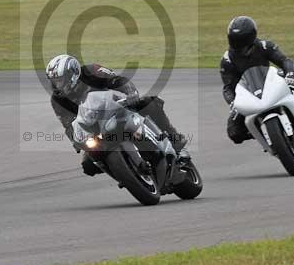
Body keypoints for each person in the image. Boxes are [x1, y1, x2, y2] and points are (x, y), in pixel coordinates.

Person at [46, 54, 190, 176]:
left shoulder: (91, 71)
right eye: (54, 81)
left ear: (72, 74)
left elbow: (117, 80)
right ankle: (126, 174)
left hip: (117, 107)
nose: (56, 85)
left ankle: (177, 144)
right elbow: (68, 124)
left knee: (149, 104)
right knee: (88, 166)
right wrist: (76, 140)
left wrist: (130, 92)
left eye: (59, 80)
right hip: (95, 128)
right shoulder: (57, 100)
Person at [221, 16, 294, 145]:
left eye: (242, 41)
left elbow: (285, 61)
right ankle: (260, 132)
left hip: (272, 80)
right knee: (234, 133)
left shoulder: (264, 46)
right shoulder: (227, 60)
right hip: (248, 93)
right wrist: (232, 103)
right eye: (235, 40)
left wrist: (291, 74)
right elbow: (228, 87)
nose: (239, 46)